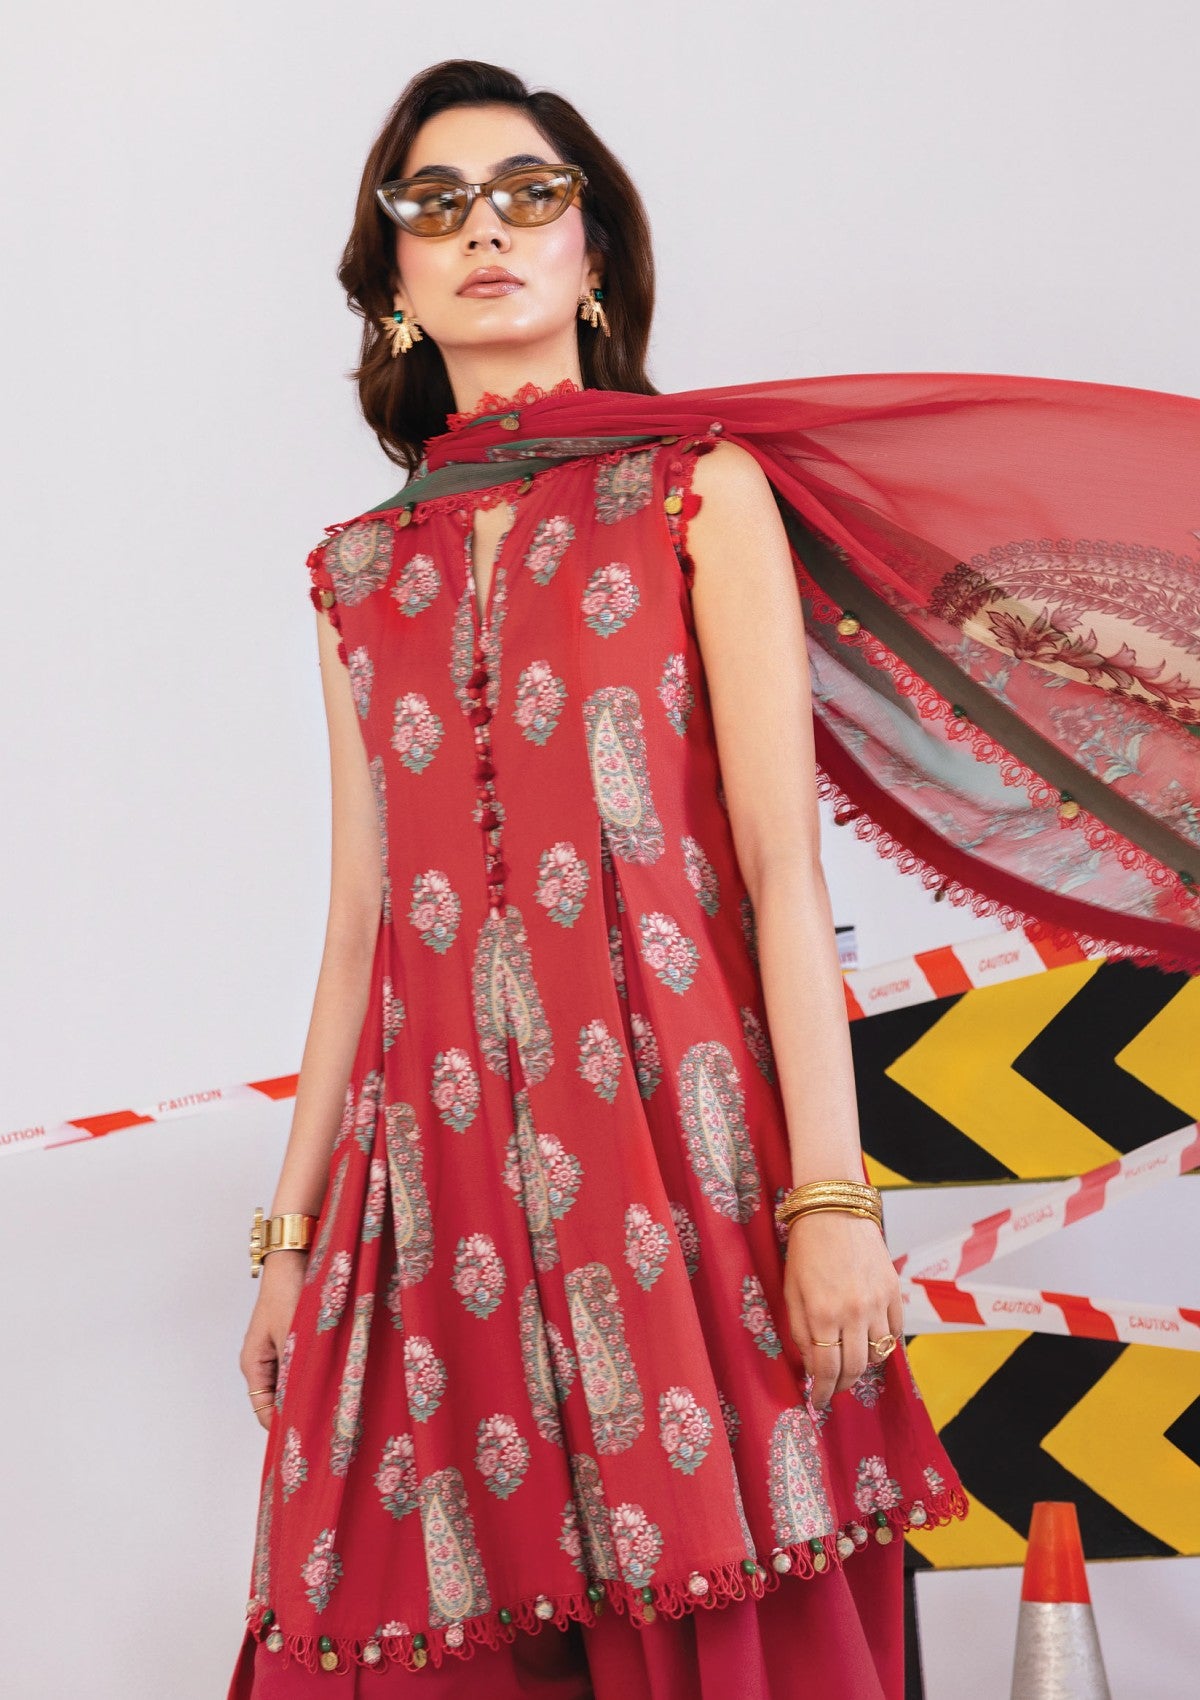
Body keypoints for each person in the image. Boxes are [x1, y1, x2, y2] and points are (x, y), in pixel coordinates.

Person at [227, 53, 1200, 1700]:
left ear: (594, 253)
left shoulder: (693, 492)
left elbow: (774, 866)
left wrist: (832, 1206)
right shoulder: (359, 573)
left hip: (684, 1168)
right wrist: (293, 1235)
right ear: (390, 279)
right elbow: (357, 928)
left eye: (530, 194)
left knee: (715, 1619)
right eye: (436, 204)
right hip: (434, 1188)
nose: (485, 230)